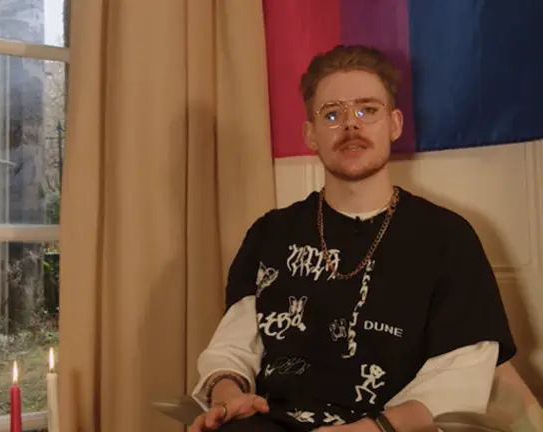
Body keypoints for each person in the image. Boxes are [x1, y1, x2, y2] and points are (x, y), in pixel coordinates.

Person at [189, 45, 516, 432]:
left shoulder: (447, 237)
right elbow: (234, 347)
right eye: (332, 114)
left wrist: (372, 429)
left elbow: (460, 373)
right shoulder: (271, 233)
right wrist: (229, 398)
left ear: (394, 124)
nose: (350, 126)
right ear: (310, 135)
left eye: (367, 110)